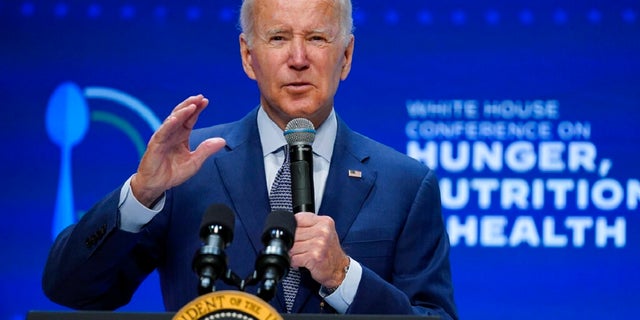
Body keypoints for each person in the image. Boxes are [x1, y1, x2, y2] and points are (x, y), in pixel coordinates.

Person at [42, 0, 457, 318]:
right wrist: (141, 194)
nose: (298, 58)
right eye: (278, 37)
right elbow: (71, 290)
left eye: (316, 38)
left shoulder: (405, 184)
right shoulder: (189, 168)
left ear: (345, 57)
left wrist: (343, 276)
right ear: (247, 56)